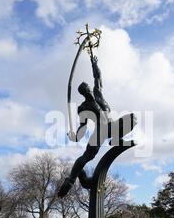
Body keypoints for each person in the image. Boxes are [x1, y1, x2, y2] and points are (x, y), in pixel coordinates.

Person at [58, 56, 137, 198]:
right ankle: (72, 179)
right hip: (100, 131)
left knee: (133, 118)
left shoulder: (99, 94)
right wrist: (75, 136)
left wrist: (95, 65)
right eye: (84, 90)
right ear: (82, 93)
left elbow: (98, 78)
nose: (87, 90)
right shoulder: (82, 108)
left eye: (87, 88)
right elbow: (83, 126)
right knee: (87, 156)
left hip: (112, 125)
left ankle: (115, 139)